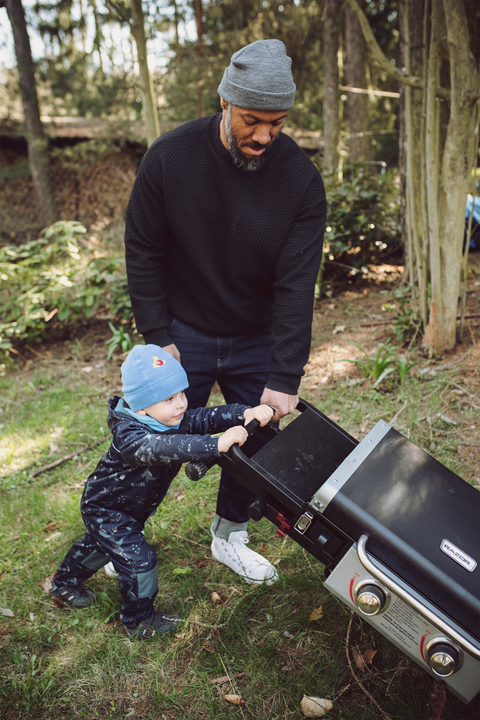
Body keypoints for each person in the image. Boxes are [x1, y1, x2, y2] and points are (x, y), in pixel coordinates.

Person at [124, 39, 327, 585]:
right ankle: (114, 531)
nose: (263, 135)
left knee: (257, 436)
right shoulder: (170, 158)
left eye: (277, 123)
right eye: (252, 120)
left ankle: (229, 535)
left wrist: (284, 375)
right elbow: (143, 250)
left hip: (255, 332)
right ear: (225, 102)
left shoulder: (301, 182)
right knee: (150, 437)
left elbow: (296, 286)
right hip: (182, 330)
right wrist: (158, 335)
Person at [49, 344, 274, 640]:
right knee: (141, 562)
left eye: (181, 393)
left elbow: (207, 417)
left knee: (99, 546)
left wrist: (244, 412)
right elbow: (162, 448)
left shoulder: (170, 417)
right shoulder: (131, 436)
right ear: (142, 407)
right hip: (106, 508)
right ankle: (138, 620)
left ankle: (62, 583)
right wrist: (213, 444)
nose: (181, 404)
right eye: (169, 398)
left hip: (130, 508)